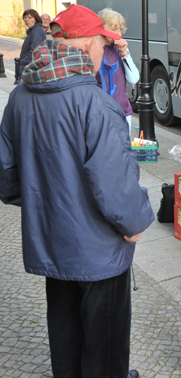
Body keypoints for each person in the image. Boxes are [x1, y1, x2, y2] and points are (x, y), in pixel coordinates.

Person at [0, 4, 154, 378]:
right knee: (105, 345)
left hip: (54, 241)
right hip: (100, 252)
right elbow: (114, 186)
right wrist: (135, 223)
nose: (106, 53)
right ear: (86, 46)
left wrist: (46, 200)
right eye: (104, 43)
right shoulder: (95, 104)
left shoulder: (19, 97)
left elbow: (7, 178)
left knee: (65, 332)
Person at [96, 7, 140, 136]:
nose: (119, 34)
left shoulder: (120, 49)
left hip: (123, 111)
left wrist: (124, 53)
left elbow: (134, 78)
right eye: (114, 29)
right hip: (101, 112)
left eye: (121, 30)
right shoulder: (94, 49)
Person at [16, 9, 46, 82]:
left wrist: (24, 62)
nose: (27, 20)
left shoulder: (36, 30)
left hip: (32, 68)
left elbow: (34, 49)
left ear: (35, 19)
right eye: (25, 17)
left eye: (30, 17)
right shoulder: (33, 30)